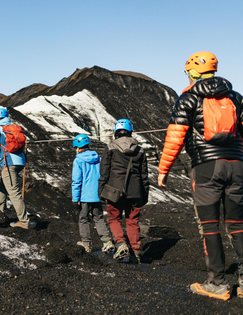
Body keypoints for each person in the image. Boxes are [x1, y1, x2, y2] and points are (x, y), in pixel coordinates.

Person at [158, 51, 243, 300]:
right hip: (237, 165)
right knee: (238, 226)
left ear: (192, 72)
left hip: (206, 168)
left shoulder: (188, 98)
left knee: (210, 227)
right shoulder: (235, 97)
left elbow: (175, 137)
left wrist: (164, 170)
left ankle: (217, 284)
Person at [99, 119, 149, 263]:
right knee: (132, 221)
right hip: (136, 192)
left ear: (116, 132)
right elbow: (144, 175)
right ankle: (136, 251)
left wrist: (101, 190)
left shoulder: (110, 148)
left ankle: (121, 243)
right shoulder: (140, 150)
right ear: (130, 132)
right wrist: (144, 194)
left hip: (115, 191)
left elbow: (104, 172)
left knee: (114, 218)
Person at [0, 108, 32, 229]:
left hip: (9, 163)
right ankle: (0, 212)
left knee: (14, 192)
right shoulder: (15, 128)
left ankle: (24, 221)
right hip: (19, 162)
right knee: (1, 185)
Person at [72, 134, 115, 253]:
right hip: (97, 195)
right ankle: (107, 242)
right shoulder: (98, 158)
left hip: (85, 196)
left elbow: (77, 180)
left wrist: (75, 199)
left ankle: (86, 243)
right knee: (99, 218)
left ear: (77, 147)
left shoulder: (78, 160)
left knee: (84, 219)